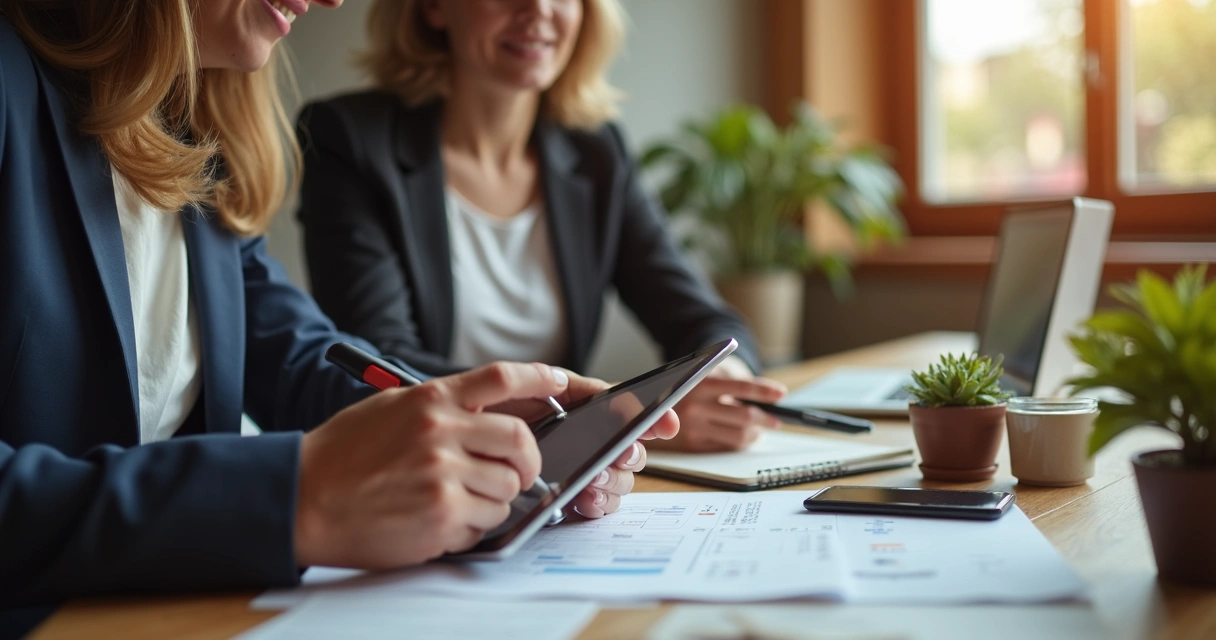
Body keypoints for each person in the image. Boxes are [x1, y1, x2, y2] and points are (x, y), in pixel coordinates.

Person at [0, 0, 676, 623]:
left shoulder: (195, 129)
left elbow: (301, 355)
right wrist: (291, 499)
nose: (330, 0)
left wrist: (465, 415)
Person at [297, 0, 789, 454]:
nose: (538, 10)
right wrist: (606, 416)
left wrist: (722, 377)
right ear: (434, 6)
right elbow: (380, 362)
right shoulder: (348, 139)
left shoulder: (596, 153)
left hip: (556, 488)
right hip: (413, 467)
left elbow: (702, 318)